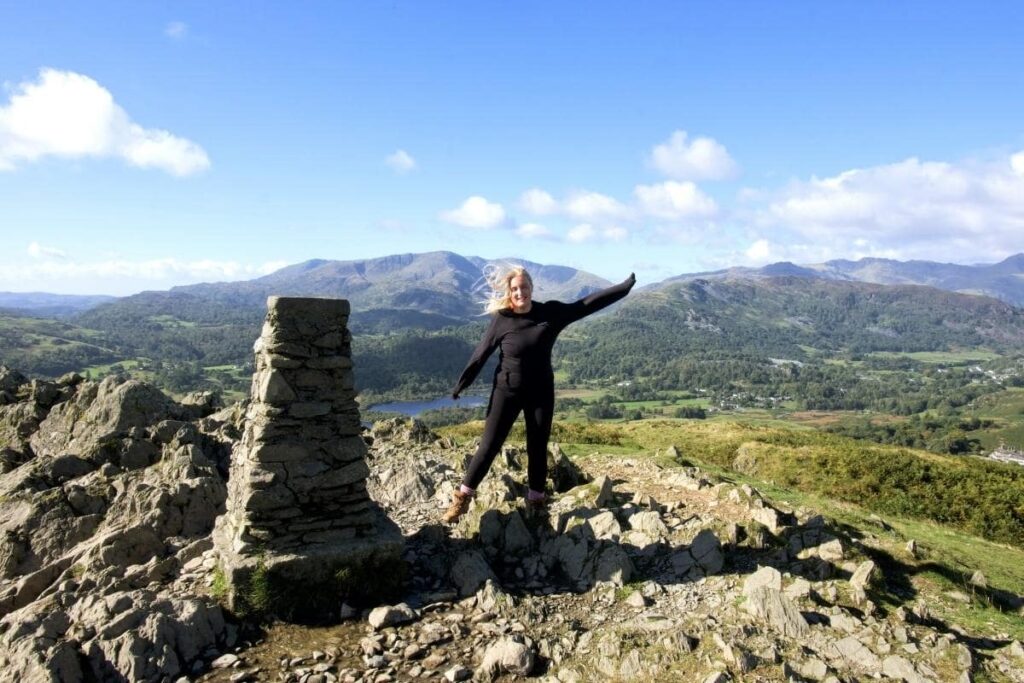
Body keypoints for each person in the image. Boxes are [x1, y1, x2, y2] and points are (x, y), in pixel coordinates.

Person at [442, 265, 636, 523]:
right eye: (514, 289)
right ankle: (461, 501)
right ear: (509, 292)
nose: (519, 292)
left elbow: (586, 304)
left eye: (524, 287)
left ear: (531, 288)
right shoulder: (503, 319)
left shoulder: (550, 313)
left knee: (537, 446)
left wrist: (623, 288)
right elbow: (481, 353)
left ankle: (536, 503)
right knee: (489, 446)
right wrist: (461, 385)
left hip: (541, 392)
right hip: (506, 391)